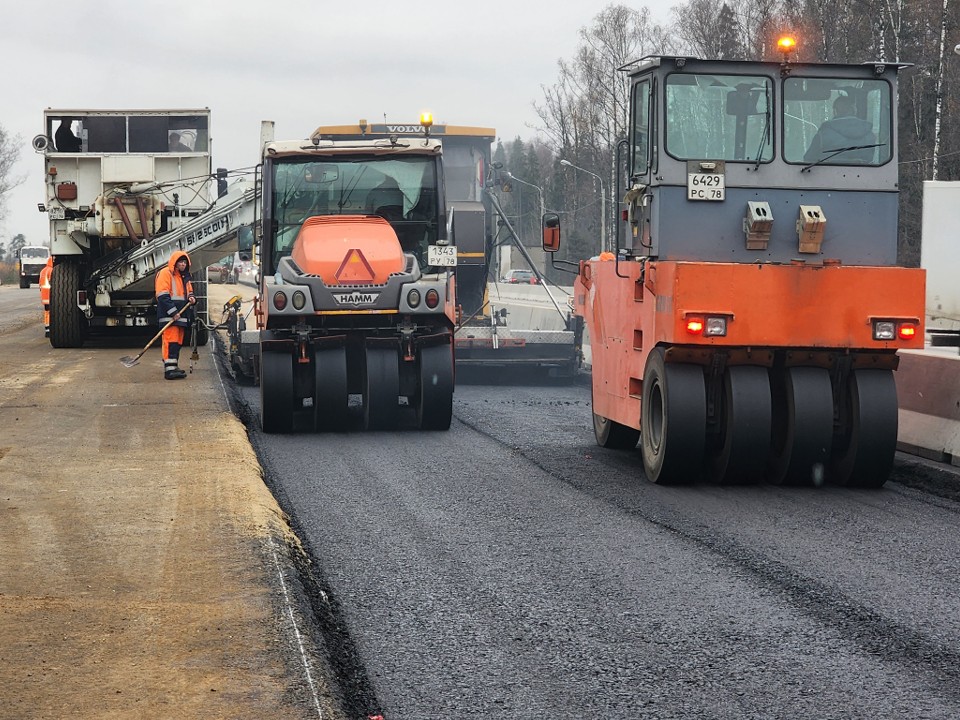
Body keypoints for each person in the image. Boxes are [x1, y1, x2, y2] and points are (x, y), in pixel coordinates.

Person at [155, 250, 197, 380]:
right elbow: (162, 295)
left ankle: (174, 366)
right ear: (175, 262)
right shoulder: (165, 273)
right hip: (170, 316)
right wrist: (173, 312)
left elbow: (189, 291)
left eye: (185, 262)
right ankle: (169, 370)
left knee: (177, 341)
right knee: (170, 340)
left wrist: (192, 298)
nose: (183, 265)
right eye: (181, 262)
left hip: (181, 316)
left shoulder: (185, 277)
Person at [803, 95, 875, 163]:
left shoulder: (822, 136)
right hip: (864, 175)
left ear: (835, 111)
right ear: (854, 110)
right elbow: (870, 160)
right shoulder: (870, 135)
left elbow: (808, 160)